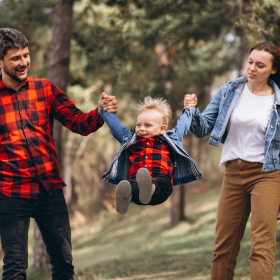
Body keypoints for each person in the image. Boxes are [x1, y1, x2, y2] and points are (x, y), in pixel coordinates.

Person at [0, 28, 118, 280]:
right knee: (14, 269)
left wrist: (99, 111)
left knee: (64, 265)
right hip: (11, 195)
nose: (24, 63)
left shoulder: (45, 90)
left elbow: (79, 123)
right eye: (15, 58)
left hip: (49, 191)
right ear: (1, 61)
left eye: (26, 55)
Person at [184, 41, 280, 280]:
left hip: (267, 175)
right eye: (250, 62)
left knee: (261, 247)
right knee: (223, 248)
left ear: (273, 70)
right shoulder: (229, 91)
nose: (252, 68)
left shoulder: (276, 101)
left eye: (260, 65)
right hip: (233, 174)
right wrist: (192, 112)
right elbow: (202, 128)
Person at [100, 96, 202, 214]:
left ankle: (150, 188)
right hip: (137, 184)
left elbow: (183, 124)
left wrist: (190, 108)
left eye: (147, 125)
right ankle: (127, 195)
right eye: (139, 125)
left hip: (161, 186)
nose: (141, 129)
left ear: (161, 129)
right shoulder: (131, 140)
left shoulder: (169, 139)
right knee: (132, 183)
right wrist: (105, 109)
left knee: (161, 181)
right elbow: (115, 127)